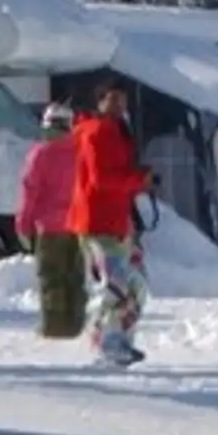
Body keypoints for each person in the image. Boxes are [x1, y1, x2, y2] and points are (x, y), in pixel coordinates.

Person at [69, 79, 151, 367]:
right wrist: (139, 180)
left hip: (119, 221)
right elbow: (100, 179)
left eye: (123, 99)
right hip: (98, 223)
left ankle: (121, 340)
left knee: (137, 285)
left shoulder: (117, 131)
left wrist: (139, 180)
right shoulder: (96, 132)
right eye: (113, 99)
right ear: (100, 101)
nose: (119, 105)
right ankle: (103, 339)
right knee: (113, 285)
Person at [15, 102, 87, 340]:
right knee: (75, 277)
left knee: (51, 277)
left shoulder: (41, 154)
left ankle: (54, 328)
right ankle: (76, 325)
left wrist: (23, 224)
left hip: (50, 227)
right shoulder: (83, 152)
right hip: (78, 225)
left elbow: (30, 191)